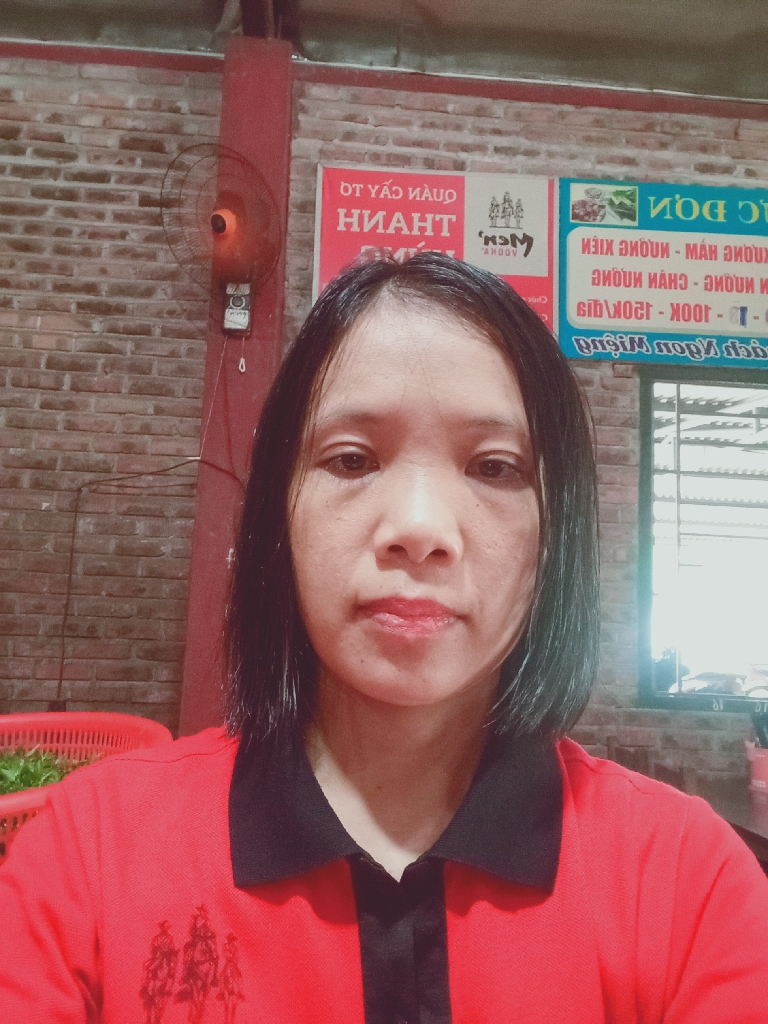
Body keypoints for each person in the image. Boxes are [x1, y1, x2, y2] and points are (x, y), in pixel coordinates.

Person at [1, 252, 767, 1024]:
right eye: (351, 459)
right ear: (278, 517)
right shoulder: (89, 855)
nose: (419, 529)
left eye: (495, 468)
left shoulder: (689, 886)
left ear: (555, 537)